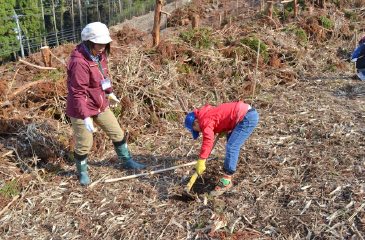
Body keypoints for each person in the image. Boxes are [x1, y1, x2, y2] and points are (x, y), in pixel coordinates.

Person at [66, 22, 146, 186]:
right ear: (89, 41)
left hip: (99, 104)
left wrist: (109, 92)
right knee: (85, 144)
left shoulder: (99, 55)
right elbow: (78, 93)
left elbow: (103, 75)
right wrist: (85, 116)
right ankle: (82, 172)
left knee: (117, 132)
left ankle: (127, 161)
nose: (103, 46)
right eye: (99, 42)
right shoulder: (79, 62)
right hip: (81, 109)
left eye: (104, 43)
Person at [184, 101, 259, 196]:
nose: (199, 132)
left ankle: (226, 182)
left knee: (232, 147)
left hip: (247, 117)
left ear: (196, 122)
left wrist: (202, 159)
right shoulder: (206, 115)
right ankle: (230, 167)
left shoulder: (204, 121)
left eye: (196, 130)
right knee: (230, 141)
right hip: (244, 115)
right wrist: (222, 127)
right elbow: (220, 117)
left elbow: (208, 140)